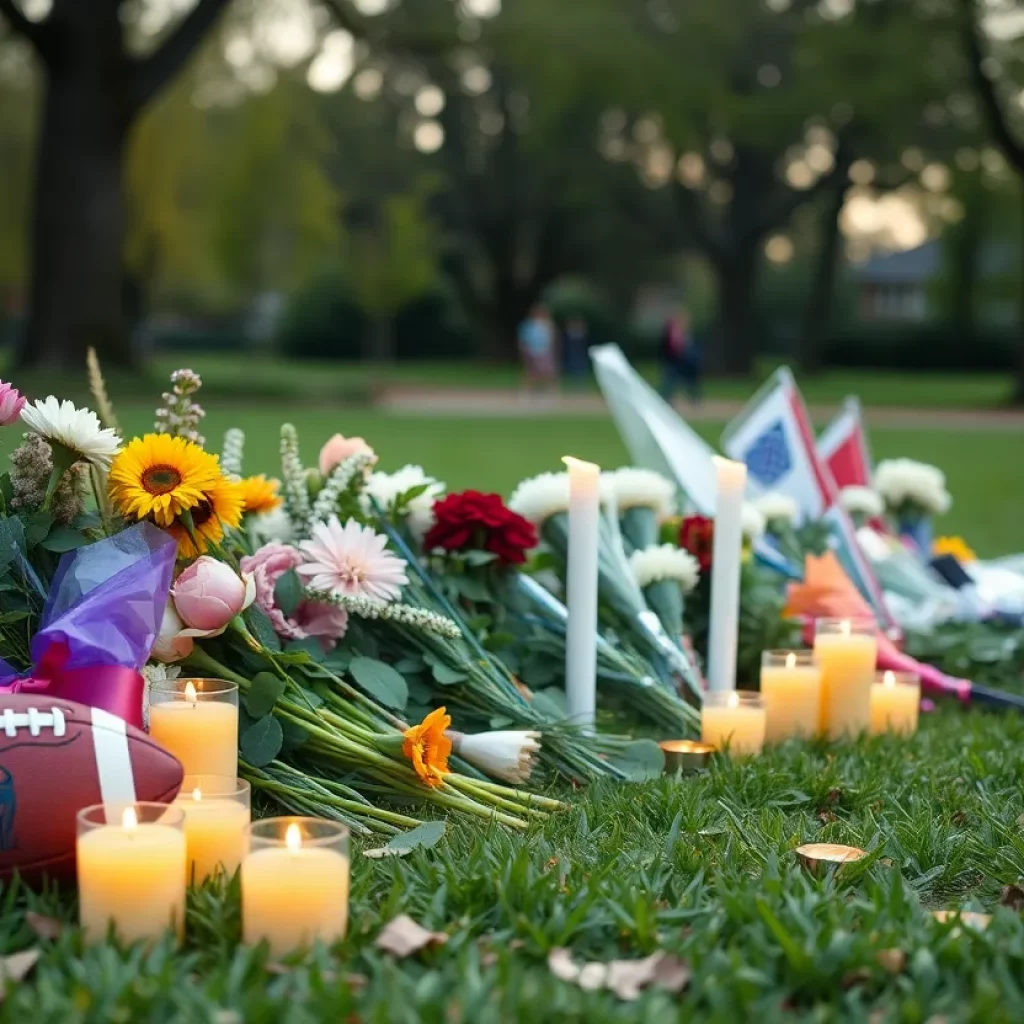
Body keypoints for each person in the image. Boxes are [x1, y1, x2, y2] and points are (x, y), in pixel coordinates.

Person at [659, 306, 700, 404]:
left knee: (686, 381)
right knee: (671, 381)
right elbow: (674, 346)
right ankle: (665, 398)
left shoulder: (682, 331)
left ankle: (694, 398)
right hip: (674, 361)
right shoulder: (674, 331)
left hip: (681, 362)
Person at [518, 304, 558, 393]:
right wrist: (525, 351)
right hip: (532, 351)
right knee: (531, 372)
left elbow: (552, 339)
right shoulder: (528, 325)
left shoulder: (548, 325)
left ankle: (551, 391)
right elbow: (523, 340)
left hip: (545, 351)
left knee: (549, 372)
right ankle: (527, 390)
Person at [562, 315, 590, 386]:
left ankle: (579, 383)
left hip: (579, 353)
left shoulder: (581, 332)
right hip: (574, 354)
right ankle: (572, 383)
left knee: (580, 368)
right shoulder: (571, 332)